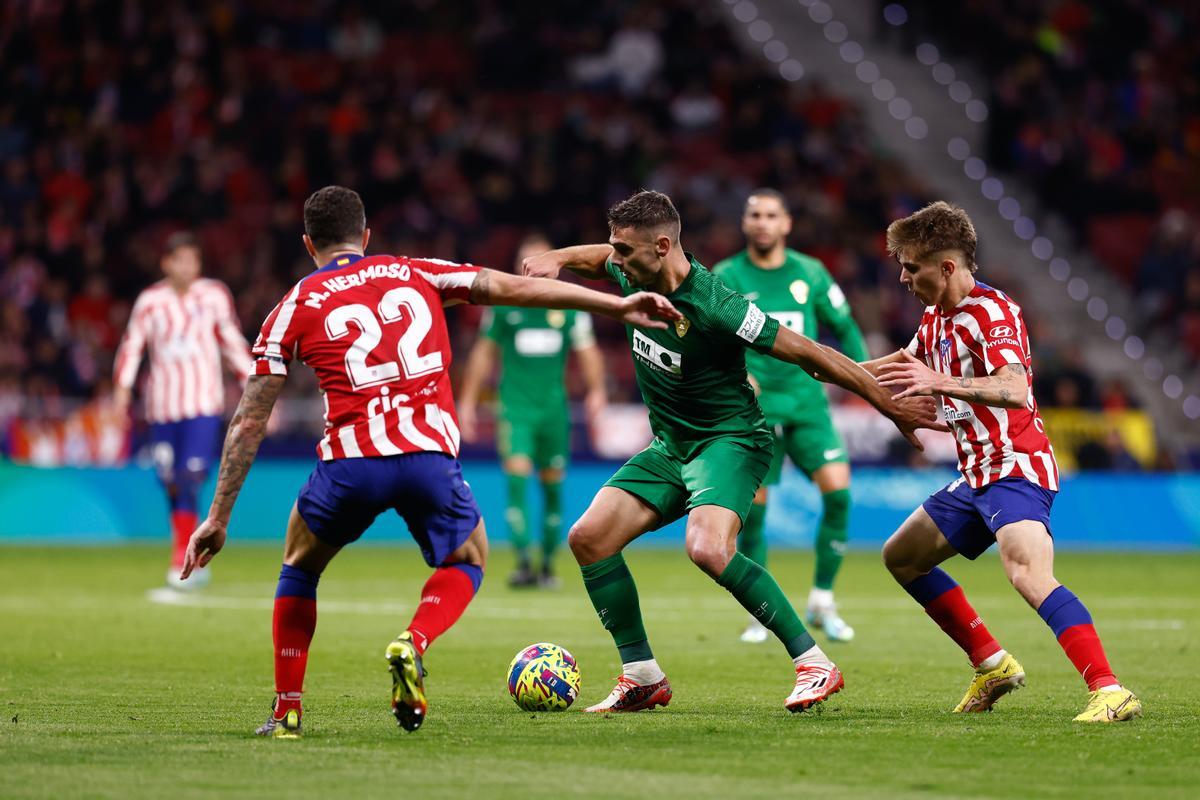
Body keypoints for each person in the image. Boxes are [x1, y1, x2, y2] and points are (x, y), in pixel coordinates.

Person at [179, 186, 680, 738]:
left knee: (299, 566)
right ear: (366, 237)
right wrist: (618, 304)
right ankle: (413, 641)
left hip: (352, 462)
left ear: (307, 244)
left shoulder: (294, 304)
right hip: (427, 457)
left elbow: (250, 418)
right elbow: (515, 288)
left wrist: (218, 516)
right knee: (468, 557)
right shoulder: (415, 271)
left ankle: (287, 710)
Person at [523, 190, 943, 713]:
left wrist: (885, 402)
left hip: (732, 439)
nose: (616, 261)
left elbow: (808, 351)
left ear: (661, 246)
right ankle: (643, 676)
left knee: (708, 548)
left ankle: (815, 663)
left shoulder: (718, 305)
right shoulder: (636, 271)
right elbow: (599, 259)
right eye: (615, 249)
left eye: (625, 251)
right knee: (589, 538)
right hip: (672, 445)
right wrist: (560, 259)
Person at [866, 200, 1141, 722]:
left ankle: (1110, 690)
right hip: (976, 474)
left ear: (946, 267)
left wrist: (938, 381)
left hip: (1016, 464)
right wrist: (819, 366)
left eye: (911, 266)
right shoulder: (935, 316)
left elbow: (1015, 389)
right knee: (901, 557)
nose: (902, 277)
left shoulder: (992, 312)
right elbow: (901, 363)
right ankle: (991, 663)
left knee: (1027, 572)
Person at [715, 188, 868, 645]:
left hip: (806, 406)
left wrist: (864, 381)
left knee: (839, 495)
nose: (762, 222)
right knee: (754, 518)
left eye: (770, 215)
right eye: (754, 214)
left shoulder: (811, 272)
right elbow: (713, 341)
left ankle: (823, 600)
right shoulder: (726, 275)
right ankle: (760, 615)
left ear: (786, 224)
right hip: (755, 413)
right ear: (746, 224)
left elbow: (844, 327)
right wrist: (737, 375)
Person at [458, 233, 607, 589]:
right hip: (514, 410)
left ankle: (547, 565)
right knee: (517, 479)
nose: (531, 271)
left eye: (537, 263)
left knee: (553, 487)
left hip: (554, 412)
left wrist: (597, 390)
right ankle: (524, 561)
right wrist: (466, 399)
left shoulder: (568, 308)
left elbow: (588, 352)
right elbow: (483, 353)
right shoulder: (503, 306)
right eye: (524, 263)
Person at [113, 232, 253, 589]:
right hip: (162, 407)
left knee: (191, 476)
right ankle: (187, 549)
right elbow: (133, 345)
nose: (188, 266)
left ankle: (183, 555)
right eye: (181, 259)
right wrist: (122, 389)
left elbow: (231, 340)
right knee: (170, 480)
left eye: (194, 259)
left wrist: (255, 382)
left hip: (202, 404)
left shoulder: (213, 296)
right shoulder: (150, 301)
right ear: (167, 263)